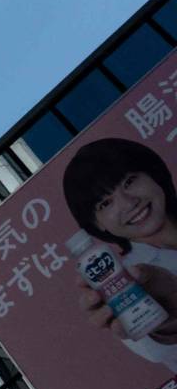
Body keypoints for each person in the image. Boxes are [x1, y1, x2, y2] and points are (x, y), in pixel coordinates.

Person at [65, 136, 177, 368]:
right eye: (105, 203)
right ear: (96, 224)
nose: (128, 203)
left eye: (129, 181)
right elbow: (161, 354)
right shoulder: (126, 286)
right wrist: (170, 319)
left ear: (154, 174)